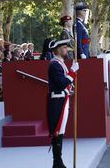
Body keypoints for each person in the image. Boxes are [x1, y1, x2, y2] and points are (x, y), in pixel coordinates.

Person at [46, 39, 79, 168]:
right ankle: (57, 162)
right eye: (64, 47)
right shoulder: (55, 64)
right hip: (57, 101)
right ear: (58, 50)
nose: (66, 50)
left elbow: (65, 83)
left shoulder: (60, 63)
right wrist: (72, 72)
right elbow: (61, 83)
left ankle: (58, 162)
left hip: (62, 99)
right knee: (57, 131)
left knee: (61, 131)